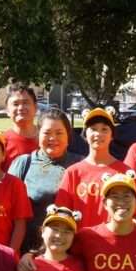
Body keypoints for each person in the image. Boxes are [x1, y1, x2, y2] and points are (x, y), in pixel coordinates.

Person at [8, 108, 83, 253]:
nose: (53, 138)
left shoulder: (80, 166)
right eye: (47, 133)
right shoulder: (24, 164)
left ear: (68, 135)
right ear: (38, 134)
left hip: (69, 253)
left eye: (59, 133)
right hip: (28, 253)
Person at [54, 107, 131, 229]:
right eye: (93, 129)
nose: (98, 134)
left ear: (112, 136)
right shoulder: (73, 173)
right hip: (81, 244)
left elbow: (133, 213)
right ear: (85, 134)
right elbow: (62, 213)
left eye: (104, 129)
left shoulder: (124, 172)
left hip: (113, 245)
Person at [2, 83, 40, 168]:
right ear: (7, 110)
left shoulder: (48, 138)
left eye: (26, 102)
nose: (21, 108)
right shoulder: (1, 142)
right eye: (15, 104)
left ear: (36, 107)